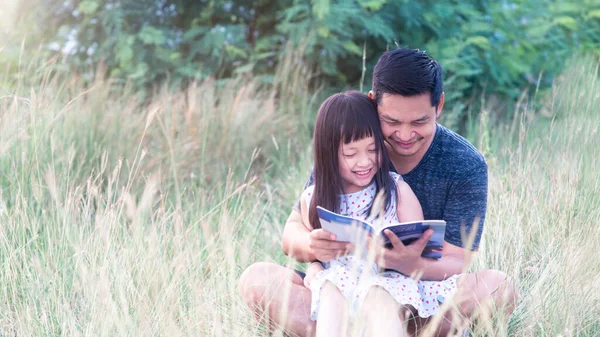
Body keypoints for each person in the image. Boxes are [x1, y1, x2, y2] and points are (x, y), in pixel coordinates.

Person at [238, 48, 518, 337]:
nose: (406, 135)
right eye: (392, 122)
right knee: (256, 280)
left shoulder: (465, 164)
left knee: (498, 287)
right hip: (341, 284)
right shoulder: (348, 147)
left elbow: (459, 259)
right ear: (373, 103)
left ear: (439, 106)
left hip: (415, 292)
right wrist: (313, 247)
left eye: (419, 122)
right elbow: (293, 230)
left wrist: (410, 264)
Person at [297, 90, 460, 337]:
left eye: (373, 150)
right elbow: (314, 250)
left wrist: (403, 256)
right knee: (330, 288)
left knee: (377, 295)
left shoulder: (396, 190)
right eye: (351, 154)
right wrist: (314, 267)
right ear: (328, 154)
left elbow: (424, 245)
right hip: (341, 284)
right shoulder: (314, 197)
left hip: (391, 284)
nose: (364, 162)